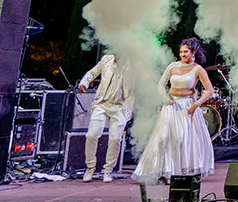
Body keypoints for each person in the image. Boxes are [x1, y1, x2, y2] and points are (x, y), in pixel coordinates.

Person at [132, 38, 216, 183]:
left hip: (187, 107)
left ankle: (178, 172)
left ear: (193, 52)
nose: (183, 54)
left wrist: (196, 105)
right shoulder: (172, 66)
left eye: (186, 52)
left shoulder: (198, 69)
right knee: (163, 138)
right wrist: (165, 97)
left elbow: (209, 90)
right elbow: (161, 84)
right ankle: (162, 170)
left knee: (181, 138)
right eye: (181, 51)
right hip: (171, 105)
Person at [77, 52, 133, 182]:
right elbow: (92, 73)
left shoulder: (132, 65)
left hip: (120, 106)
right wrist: (84, 83)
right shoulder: (106, 59)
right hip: (101, 104)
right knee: (91, 135)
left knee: (115, 139)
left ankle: (108, 170)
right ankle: (90, 168)